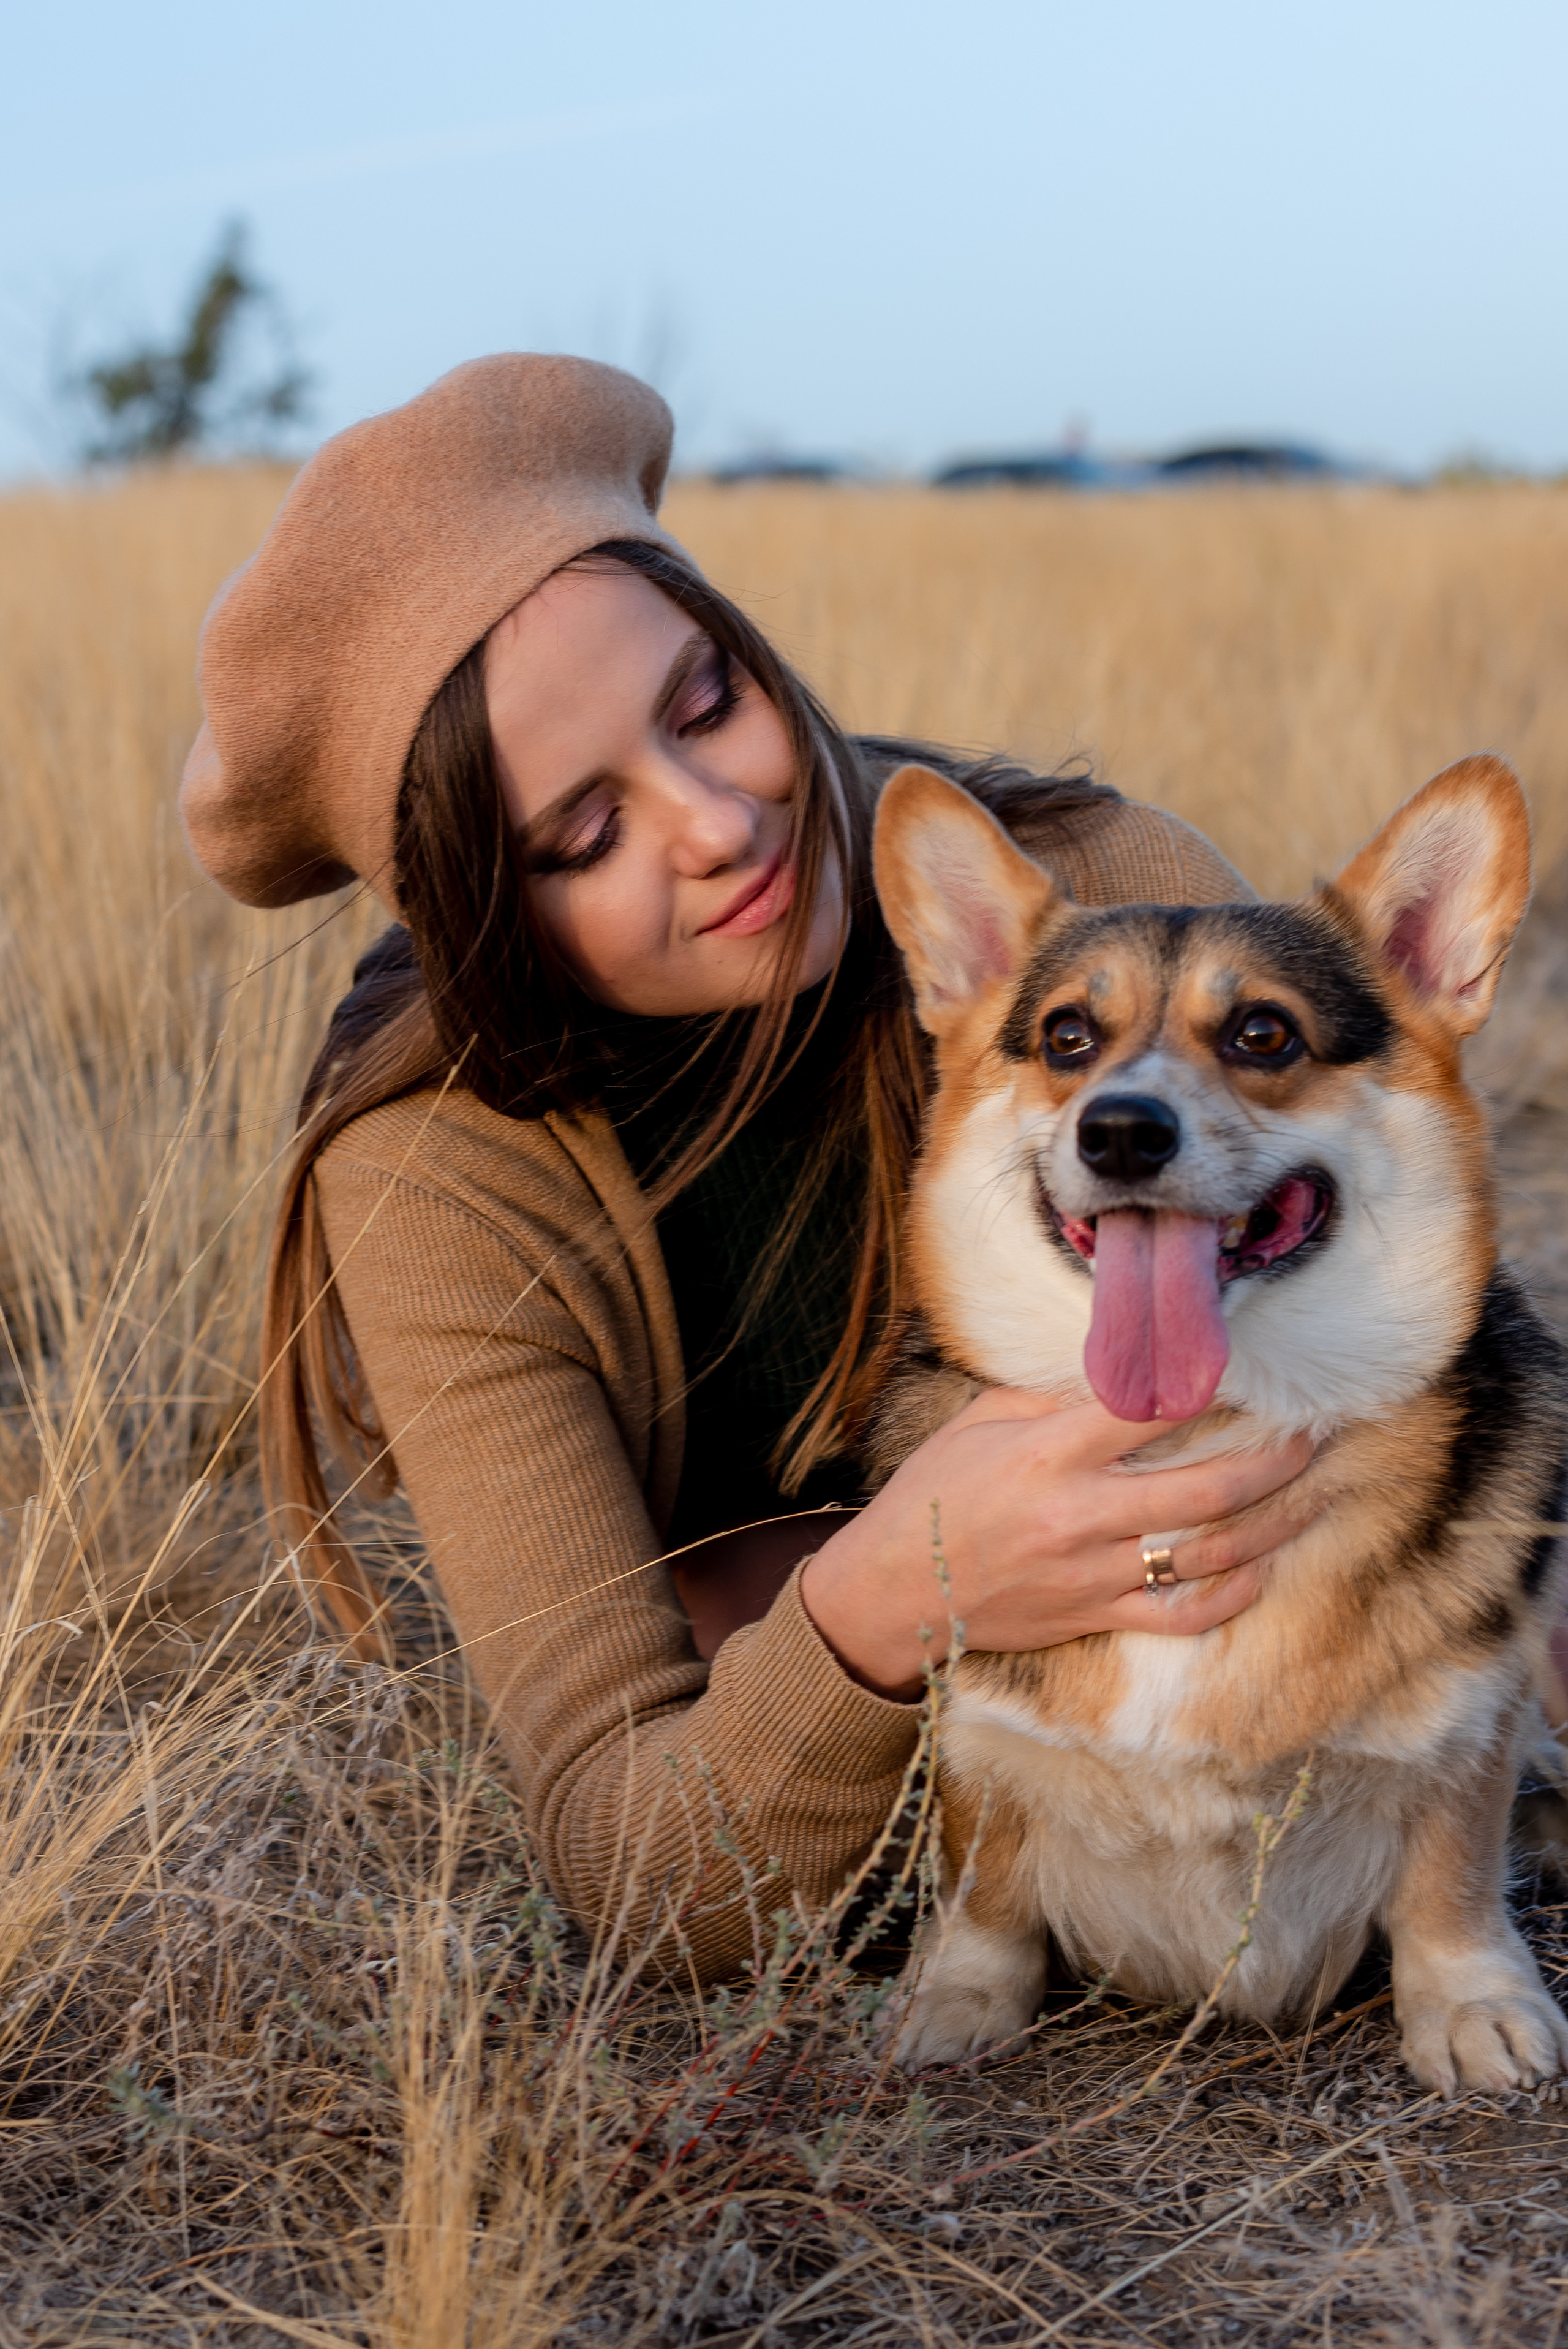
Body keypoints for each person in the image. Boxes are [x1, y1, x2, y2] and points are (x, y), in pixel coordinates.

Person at [181, 355, 1316, 1978]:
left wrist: (785, 1620)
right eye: (584, 833)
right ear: (487, 923)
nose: (717, 821)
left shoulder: (1090, 898)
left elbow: (1393, 1410)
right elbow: (631, 1859)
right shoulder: (432, 1177)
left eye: (706, 698)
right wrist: (889, 1596)